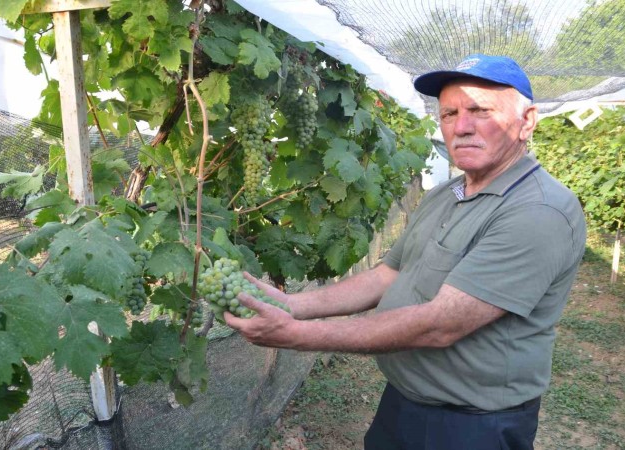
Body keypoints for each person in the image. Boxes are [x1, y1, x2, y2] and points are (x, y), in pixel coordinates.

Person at [224, 54, 587, 450]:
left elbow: (440, 324)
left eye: (480, 111)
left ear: (527, 121)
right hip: (404, 402)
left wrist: (297, 335)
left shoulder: (538, 210)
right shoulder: (446, 194)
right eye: (449, 114)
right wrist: (291, 305)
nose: (461, 127)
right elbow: (387, 275)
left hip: (474, 427)